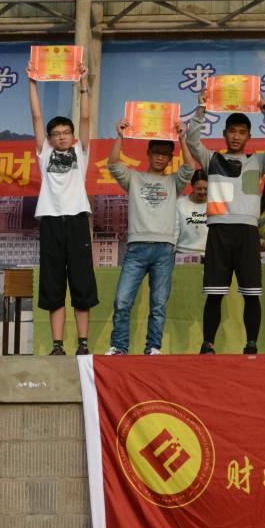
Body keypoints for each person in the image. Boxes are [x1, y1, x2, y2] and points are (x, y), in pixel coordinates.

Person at [186, 90, 265, 354]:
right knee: (214, 293)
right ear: (224, 134)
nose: (236, 136)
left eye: (242, 132)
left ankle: (251, 344)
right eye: (232, 131)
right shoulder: (212, 159)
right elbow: (192, 141)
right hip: (219, 231)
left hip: (248, 233)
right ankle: (208, 343)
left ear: (249, 136)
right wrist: (201, 110)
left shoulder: (257, 161)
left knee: (251, 294)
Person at [105, 120, 195, 355]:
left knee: (158, 305)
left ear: (171, 158)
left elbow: (190, 168)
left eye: (166, 154)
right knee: (122, 301)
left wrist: (183, 139)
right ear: (148, 153)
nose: (160, 157)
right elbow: (113, 164)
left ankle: (153, 347)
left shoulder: (173, 181)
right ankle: (119, 346)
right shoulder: (134, 178)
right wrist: (120, 136)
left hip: (164, 249)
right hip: (136, 248)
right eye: (157, 152)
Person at [28, 63, 98, 356]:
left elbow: (85, 117)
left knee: (81, 283)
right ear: (49, 138)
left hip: (77, 221)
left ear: (73, 136)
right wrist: (32, 83)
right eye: (55, 133)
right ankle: (57, 345)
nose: (61, 137)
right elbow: (36, 116)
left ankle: (83, 343)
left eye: (66, 132)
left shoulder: (81, 152)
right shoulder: (44, 154)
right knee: (53, 284)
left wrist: (82, 85)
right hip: (51, 223)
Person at [176, 170, 209, 255]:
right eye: (199, 189)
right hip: (182, 252)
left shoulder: (215, 204)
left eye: (206, 189)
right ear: (192, 186)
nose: (202, 192)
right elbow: (175, 231)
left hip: (208, 253)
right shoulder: (180, 203)